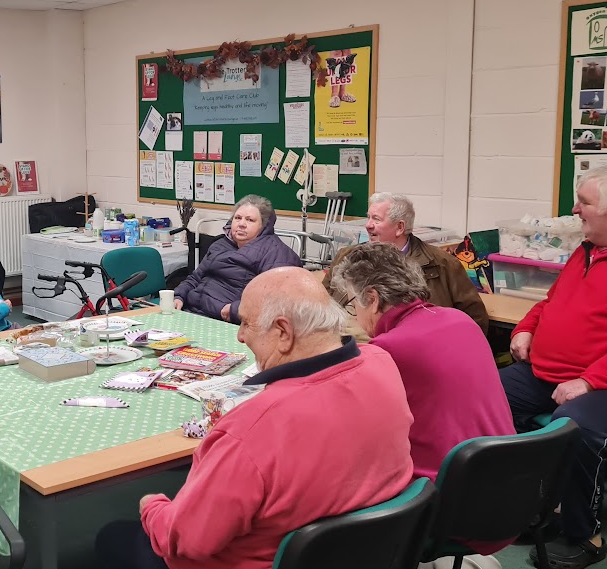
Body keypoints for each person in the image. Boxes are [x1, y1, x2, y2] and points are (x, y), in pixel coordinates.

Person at [96, 268, 414, 569]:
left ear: (283, 332)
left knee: (113, 541)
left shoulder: (253, 428)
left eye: (246, 323)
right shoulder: (382, 362)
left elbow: (187, 539)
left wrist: (152, 506)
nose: (240, 336)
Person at [500, 164, 607, 569]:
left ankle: (583, 535)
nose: (575, 209)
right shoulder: (590, 247)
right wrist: (526, 329)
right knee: (488, 393)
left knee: (577, 424)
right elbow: (551, 302)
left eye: (584, 202)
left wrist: (590, 381)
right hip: (559, 371)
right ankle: (538, 503)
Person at [332, 242, 514, 485]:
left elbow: (353, 426)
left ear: (372, 299)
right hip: (505, 471)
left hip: (446, 486)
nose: (356, 315)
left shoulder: (387, 349)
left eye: (354, 304)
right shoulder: (461, 320)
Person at [327, 192, 489, 333]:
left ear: (400, 227)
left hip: (416, 347)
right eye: (368, 217)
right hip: (350, 345)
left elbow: (475, 318)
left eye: (376, 219)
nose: (368, 225)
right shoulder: (347, 257)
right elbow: (322, 305)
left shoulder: (442, 263)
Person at [173, 195, 301, 324]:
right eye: (237, 218)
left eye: (250, 220)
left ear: (263, 225)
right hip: (191, 311)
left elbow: (277, 299)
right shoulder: (220, 244)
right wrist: (178, 296)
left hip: (226, 321)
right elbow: (196, 277)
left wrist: (235, 310)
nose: (241, 224)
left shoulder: (276, 252)